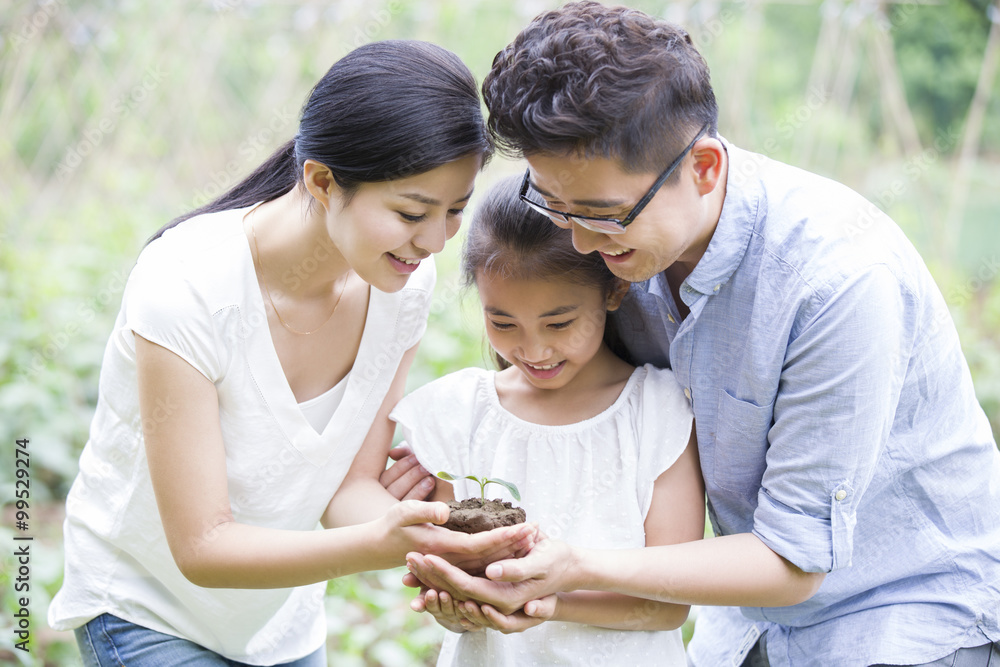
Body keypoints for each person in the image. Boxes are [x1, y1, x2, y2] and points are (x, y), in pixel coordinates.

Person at [399, 4, 1000, 666]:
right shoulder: (617, 250)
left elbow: (793, 559)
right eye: (555, 206)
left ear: (706, 169)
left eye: (603, 214)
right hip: (744, 620)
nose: (577, 240)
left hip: (905, 612)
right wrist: (445, 458)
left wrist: (571, 567)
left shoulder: (837, 284)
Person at [47, 40, 536, 667]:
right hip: (148, 608)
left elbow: (348, 490)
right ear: (323, 180)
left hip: (279, 619)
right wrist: (386, 542)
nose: (436, 241)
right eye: (413, 211)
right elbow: (202, 547)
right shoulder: (187, 285)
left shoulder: (402, 284)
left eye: (455, 212)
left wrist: (441, 540)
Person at [389, 175, 704, 666]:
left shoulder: (657, 413)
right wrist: (456, 607)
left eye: (559, 323)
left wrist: (545, 604)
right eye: (503, 323)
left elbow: (666, 606)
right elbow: (449, 574)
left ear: (615, 291)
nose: (533, 350)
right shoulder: (458, 413)